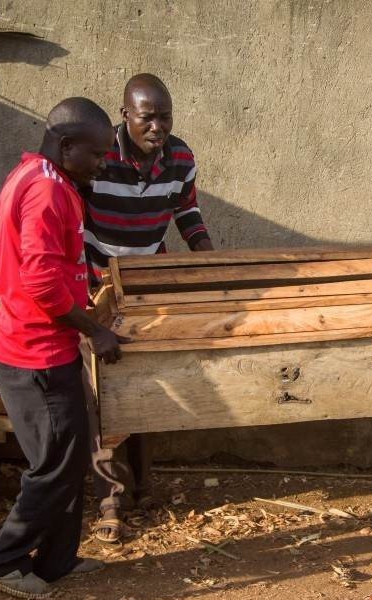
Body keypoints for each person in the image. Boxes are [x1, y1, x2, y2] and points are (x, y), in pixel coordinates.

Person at [0, 98, 127, 599]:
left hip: (34, 342)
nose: (103, 164)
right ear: (67, 145)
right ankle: (3, 562)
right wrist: (94, 329)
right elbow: (41, 284)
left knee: (66, 458)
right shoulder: (47, 190)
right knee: (54, 466)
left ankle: (57, 561)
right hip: (35, 353)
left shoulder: (32, 174)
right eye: (99, 154)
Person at [84, 73, 214, 542]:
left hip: (150, 287)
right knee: (104, 394)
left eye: (165, 117)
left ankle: (143, 487)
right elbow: (74, 219)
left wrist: (207, 258)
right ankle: (109, 499)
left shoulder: (180, 157)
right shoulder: (98, 157)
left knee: (145, 386)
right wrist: (83, 288)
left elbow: (187, 211)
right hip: (98, 284)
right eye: (147, 117)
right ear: (125, 116)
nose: (157, 127)